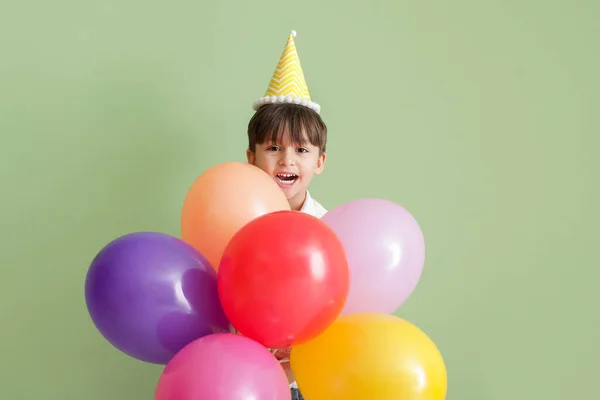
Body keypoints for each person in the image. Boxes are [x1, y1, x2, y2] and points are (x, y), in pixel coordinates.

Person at [240, 30, 328, 400]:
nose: (287, 160)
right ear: (251, 157)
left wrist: (296, 361)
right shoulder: (235, 220)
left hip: (303, 382)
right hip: (241, 374)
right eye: (273, 147)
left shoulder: (327, 229)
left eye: (301, 150)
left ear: (320, 161)